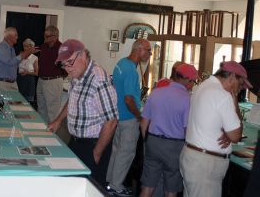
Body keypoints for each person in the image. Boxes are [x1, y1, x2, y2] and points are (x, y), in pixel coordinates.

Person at [48, 39, 118, 187]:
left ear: (83, 55)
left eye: (70, 62)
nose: (67, 68)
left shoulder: (98, 80)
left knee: (89, 189)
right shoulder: (77, 75)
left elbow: (111, 121)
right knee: (72, 185)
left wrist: (96, 154)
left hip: (93, 145)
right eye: (63, 64)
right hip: (76, 142)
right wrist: (58, 120)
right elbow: (73, 100)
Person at [180, 61, 252, 197]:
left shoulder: (203, 86)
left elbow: (209, 120)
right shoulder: (222, 95)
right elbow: (236, 135)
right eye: (241, 84)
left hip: (194, 158)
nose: (241, 89)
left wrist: (226, 131)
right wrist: (234, 101)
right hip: (205, 165)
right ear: (231, 76)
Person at [139, 63, 198, 197]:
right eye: (193, 81)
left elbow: (143, 123)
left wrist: (147, 141)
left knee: (147, 187)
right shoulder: (187, 99)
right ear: (188, 81)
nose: (193, 85)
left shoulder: (156, 92)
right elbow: (186, 130)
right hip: (174, 147)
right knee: (171, 189)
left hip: (153, 142)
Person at [106, 38, 152, 197]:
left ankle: (110, 182)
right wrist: (139, 116)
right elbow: (129, 99)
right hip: (128, 118)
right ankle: (117, 186)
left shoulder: (121, 63)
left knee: (117, 150)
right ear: (139, 50)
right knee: (126, 153)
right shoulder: (132, 71)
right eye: (148, 50)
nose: (150, 54)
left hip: (117, 116)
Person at [37, 26, 65, 123]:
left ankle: (52, 135)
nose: (45, 38)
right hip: (41, 80)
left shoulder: (61, 48)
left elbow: (66, 66)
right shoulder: (44, 46)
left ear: (55, 36)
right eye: (45, 36)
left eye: (48, 36)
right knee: (41, 108)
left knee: (52, 111)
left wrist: (58, 75)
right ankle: (41, 132)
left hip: (53, 81)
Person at [17, 38, 38, 104]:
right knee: (17, 102)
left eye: (27, 46)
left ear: (32, 47)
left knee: (26, 104)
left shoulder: (34, 58)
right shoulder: (20, 55)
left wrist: (27, 72)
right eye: (24, 46)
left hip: (29, 81)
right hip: (19, 80)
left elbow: (37, 73)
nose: (25, 48)